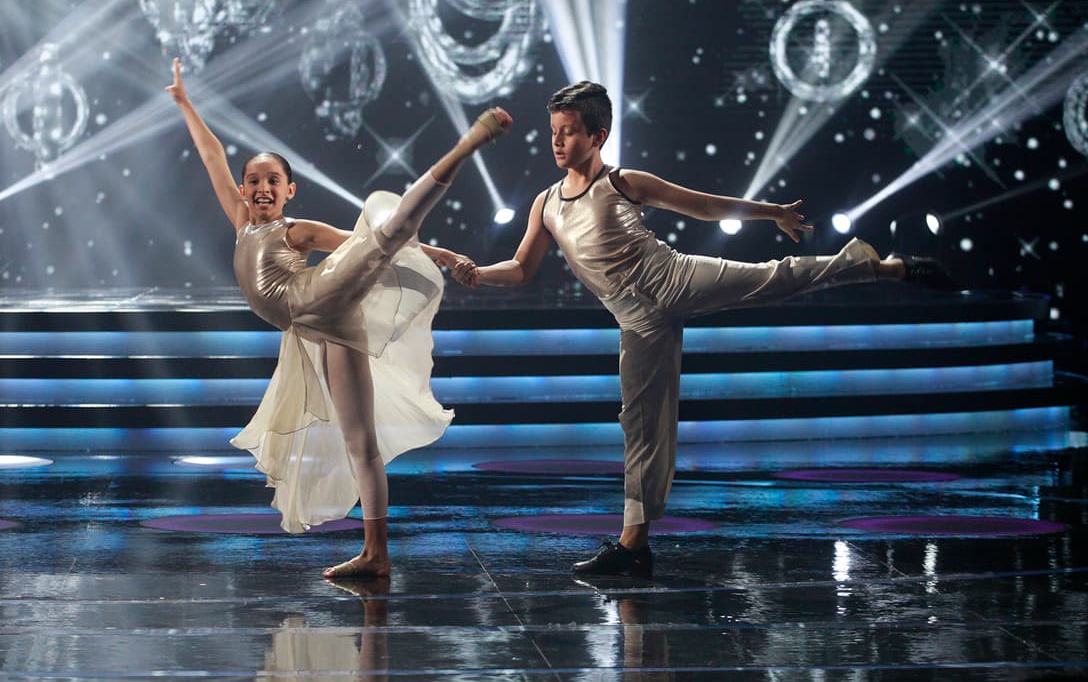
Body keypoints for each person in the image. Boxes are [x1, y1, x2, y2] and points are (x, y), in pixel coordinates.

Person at [452, 80, 951, 577]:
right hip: (636, 320)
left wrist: (771, 212)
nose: (558, 143)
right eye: (554, 133)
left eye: (570, 132)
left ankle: (882, 267)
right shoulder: (546, 204)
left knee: (773, 278)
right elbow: (521, 268)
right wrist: (480, 275)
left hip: (677, 278)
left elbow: (704, 205)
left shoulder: (624, 182)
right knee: (642, 425)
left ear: (599, 136)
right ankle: (634, 546)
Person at [165, 58, 511, 578]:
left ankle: (465, 146)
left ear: (289, 191)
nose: (261, 188)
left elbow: (368, 247)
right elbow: (212, 156)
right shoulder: (241, 224)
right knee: (360, 441)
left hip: (319, 294)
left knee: (384, 226)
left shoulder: (297, 230)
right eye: (253, 181)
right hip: (322, 328)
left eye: (273, 181)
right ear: (242, 191)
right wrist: (186, 105)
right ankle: (376, 553)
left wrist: (439, 255)